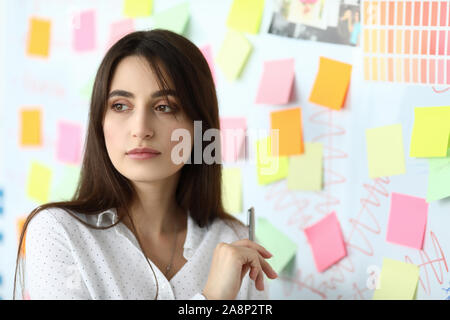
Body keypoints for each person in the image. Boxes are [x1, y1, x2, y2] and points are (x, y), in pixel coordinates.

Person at [13, 29, 278, 300]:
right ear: (100, 122)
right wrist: (212, 299)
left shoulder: (234, 240)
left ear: (198, 127)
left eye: (164, 106)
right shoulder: (58, 232)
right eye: (120, 106)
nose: (141, 129)